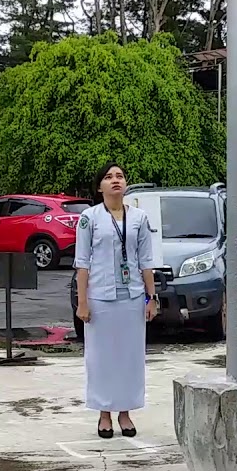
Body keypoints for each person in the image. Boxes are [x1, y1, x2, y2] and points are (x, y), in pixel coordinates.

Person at [74, 163, 158, 439]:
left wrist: (151, 297)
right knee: (101, 358)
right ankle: (104, 414)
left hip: (132, 297)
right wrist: (82, 301)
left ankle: (125, 412)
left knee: (128, 357)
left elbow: (146, 261)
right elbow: (82, 263)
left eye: (120, 176)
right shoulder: (89, 218)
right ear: (100, 187)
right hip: (100, 298)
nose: (115, 181)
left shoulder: (138, 218)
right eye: (108, 177)